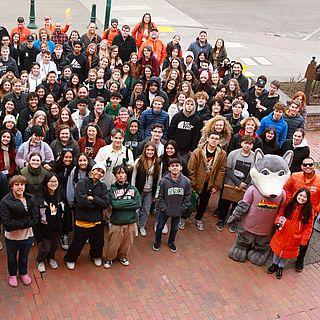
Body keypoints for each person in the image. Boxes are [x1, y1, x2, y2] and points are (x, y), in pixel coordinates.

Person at [64, 163, 109, 270]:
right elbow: (81, 202)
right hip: (82, 219)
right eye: (97, 170)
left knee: (98, 242)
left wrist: (93, 198)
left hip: (97, 221)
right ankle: (70, 259)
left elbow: (105, 203)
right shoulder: (82, 183)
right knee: (78, 242)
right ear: (92, 171)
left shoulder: (103, 186)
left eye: (102, 172)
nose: (99, 173)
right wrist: (98, 203)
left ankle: (96, 256)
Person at [0, 175, 38, 287]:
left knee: (24, 256)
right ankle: (12, 274)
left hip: (27, 235)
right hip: (12, 237)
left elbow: (35, 219)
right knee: (11, 257)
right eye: (17, 184)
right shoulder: (5, 201)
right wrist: (26, 222)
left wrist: (20, 222)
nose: (20, 187)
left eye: (22, 184)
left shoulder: (30, 198)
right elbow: (7, 224)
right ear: (12, 187)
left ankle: (23, 273)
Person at [267, 188, 313, 279]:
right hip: (282, 232)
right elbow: (280, 215)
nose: (302, 198)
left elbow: (308, 228)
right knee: (277, 250)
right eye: (300, 195)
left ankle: (281, 266)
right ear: (297, 195)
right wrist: (277, 223)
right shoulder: (289, 204)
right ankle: (274, 264)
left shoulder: (309, 211)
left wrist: (304, 240)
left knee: (287, 254)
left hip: (295, 237)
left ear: (308, 199)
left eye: (305, 197)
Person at [284, 157, 320, 272]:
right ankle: (281, 252)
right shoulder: (295, 176)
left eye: (310, 164)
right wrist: (290, 203)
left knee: (306, 236)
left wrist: (315, 210)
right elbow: (286, 188)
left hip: (309, 215)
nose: (308, 167)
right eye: (305, 165)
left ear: (314, 166)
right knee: (287, 231)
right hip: (293, 211)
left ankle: (300, 259)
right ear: (301, 166)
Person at [188, 131, 227, 231]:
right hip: (197, 181)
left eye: (216, 139)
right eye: (212, 138)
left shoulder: (221, 154)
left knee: (204, 202)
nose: (214, 140)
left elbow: (222, 170)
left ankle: (199, 218)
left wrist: (216, 185)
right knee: (190, 201)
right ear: (208, 138)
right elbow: (191, 167)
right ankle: (183, 218)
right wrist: (193, 182)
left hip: (209, 182)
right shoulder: (198, 151)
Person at [104, 164, 141, 268]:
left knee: (127, 242)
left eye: (123, 173)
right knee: (113, 243)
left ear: (126, 174)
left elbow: (138, 204)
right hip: (117, 221)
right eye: (118, 173)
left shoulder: (133, 189)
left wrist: (121, 204)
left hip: (131, 221)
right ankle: (109, 258)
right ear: (115, 176)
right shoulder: (112, 190)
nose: (121, 175)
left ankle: (122, 256)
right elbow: (114, 204)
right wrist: (129, 203)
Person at [216, 135, 255, 232]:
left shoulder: (254, 157)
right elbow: (228, 169)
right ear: (241, 143)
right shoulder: (233, 154)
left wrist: (244, 184)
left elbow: (253, 173)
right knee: (224, 203)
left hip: (244, 186)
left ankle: (233, 221)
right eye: (245, 143)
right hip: (230, 184)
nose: (247, 146)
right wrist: (237, 183)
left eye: (250, 144)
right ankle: (221, 219)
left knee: (237, 204)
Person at [153, 158, 191, 252]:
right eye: (172, 166)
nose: (175, 168)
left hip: (178, 210)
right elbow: (158, 196)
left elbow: (188, 196)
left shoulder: (186, 181)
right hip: (164, 210)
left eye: (177, 166)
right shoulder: (163, 181)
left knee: (174, 229)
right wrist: (164, 208)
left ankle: (171, 242)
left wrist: (183, 208)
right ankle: (157, 242)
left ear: (181, 168)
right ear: (169, 168)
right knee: (160, 227)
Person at [35, 172, 65, 273]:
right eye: (50, 181)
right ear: (46, 183)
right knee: (45, 248)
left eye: (55, 181)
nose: (53, 183)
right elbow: (36, 217)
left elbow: (65, 210)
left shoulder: (60, 194)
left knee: (54, 246)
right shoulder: (40, 197)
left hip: (57, 227)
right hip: (45, 228)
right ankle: (40, 260)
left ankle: (51, 258)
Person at [131, 142, 162, 236]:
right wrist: (133, 192)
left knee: (146, 210)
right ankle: (135, 226)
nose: (150, 152)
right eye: (148, 150)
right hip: (139, 190)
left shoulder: (158, 162)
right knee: (136, 209)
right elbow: (133, 177)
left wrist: (156, 194)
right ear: (145, 150)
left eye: (152, 150)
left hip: (150, 191)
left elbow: (159, 179)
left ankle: (142, 226)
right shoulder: (139, 161)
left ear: (155, 151)